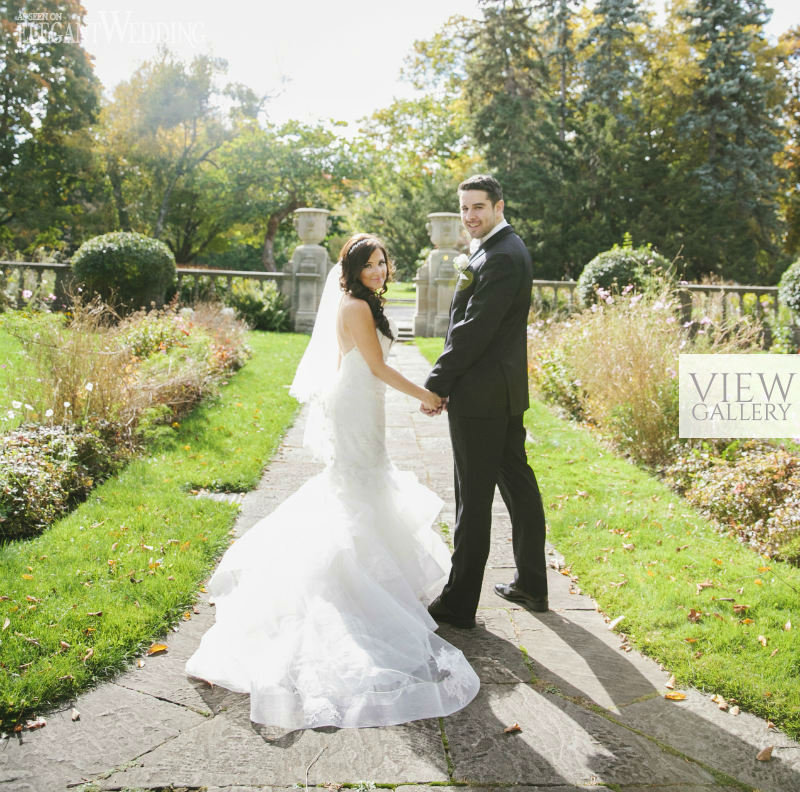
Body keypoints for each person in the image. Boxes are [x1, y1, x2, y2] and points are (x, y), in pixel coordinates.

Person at [185, 233, 479, 730]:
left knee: (361, 487)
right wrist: (427, 395)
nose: (380, 271)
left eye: (384, 262)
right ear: (353, 269)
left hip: (359, 403)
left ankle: (370, 578)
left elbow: (361, 366)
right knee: (357, 489)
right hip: (359, 405)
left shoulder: (360, 302)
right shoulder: (356, 308)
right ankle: (350, 585)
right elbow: (380, 367)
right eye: (370, 265)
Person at [424, 175, 549, 630]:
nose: (470, 216)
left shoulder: (502, 256)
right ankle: (532, 584)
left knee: (472, 500)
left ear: (499, 205)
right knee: (517, 484)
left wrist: (438, 381)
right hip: (503, 392)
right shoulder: (496, 250)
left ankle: (459, 604)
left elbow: (472, 330)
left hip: (482, 397)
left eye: (478, 207)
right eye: (464, 209)